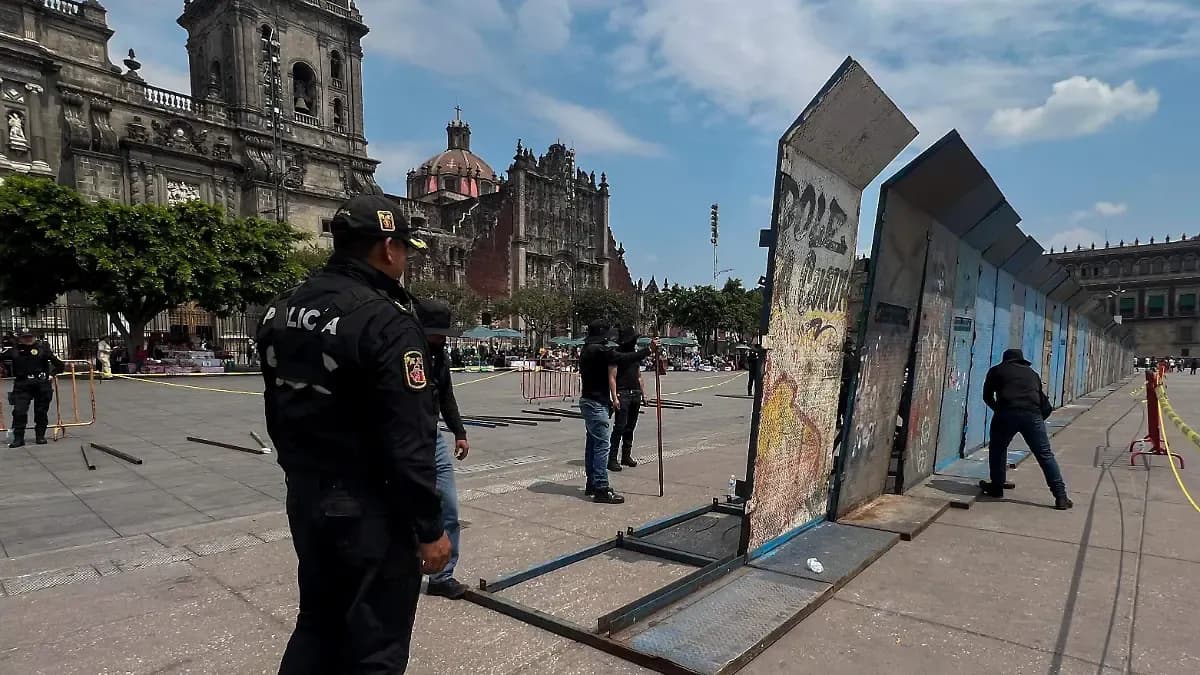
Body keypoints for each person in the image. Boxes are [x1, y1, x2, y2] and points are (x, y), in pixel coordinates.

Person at [257, 194, 450, 674]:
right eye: (406, 249)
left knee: (318, 623)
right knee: (375, 644)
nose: (406, 259)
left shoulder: (280, 310)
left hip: (306, 495)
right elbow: (409, 440)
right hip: (369, 509)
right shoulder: (386, 320)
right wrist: (429, 529)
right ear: (388, 248)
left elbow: (275, 410)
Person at [413, 297, 470, 600]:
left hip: (433, 437)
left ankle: (442, 576)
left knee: (448, 506)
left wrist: (459, 431)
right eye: (436, 332)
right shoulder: (406, 352)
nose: (441, 338)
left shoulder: (439, 355)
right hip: (409, 439)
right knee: (409, 509)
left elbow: (446, 395)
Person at [980, 348, 1073, 510]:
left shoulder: (997, 371)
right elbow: (1044, 403)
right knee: (1045, 455)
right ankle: (1061, 497)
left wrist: (999, 410)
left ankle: (997, 487)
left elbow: (987, 396)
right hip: (1033, 415)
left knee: (998, 449)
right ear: (1021, 360)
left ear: (1005, 360)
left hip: (1006, 413)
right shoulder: (1032, 374)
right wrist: (1036, 420)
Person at [578, 320, 654, 504]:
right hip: (595, 403)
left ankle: (593, 483)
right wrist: (647, 351)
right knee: (601, 446)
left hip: (593, 401)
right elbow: (621, 358)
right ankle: (601, 487)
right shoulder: (597, 350)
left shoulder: (590, 349)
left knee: (593, 445)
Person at [3, 328, 65, 447]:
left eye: (30, 337)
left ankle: (40, 436)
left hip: (41, 385)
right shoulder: (14, 350)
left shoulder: (42, 349)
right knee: (19, 412)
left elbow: (60, 365)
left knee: (41, 412)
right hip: (22, 385)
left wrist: (51, 375)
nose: (28, 339)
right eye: (25, 337)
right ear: (20, 338)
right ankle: (19, 438)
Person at [608, 325, 646, 473]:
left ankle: (626, 455)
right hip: (622, 394)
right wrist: (614, 397)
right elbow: (612, 377)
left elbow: (639, 376)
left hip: (635, 393)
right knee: (620, 427)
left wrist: (644, 393)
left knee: (630, 427)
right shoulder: (616, 355)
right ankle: (612, 458)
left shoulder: (635, 355)